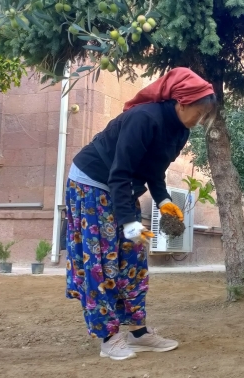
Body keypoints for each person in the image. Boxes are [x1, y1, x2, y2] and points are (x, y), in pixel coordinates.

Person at [65, 67, 217, 360]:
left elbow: (153, 171)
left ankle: (138, 332)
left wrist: (163, 201)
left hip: (119, 187)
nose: (199, 121)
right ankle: (109, 338)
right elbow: (119, 173)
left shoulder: (180, 131)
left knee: (133, 259)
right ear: (181, 102)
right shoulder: (143, 118)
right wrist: (129, 222)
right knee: (102, 260)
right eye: (198, 113)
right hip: (92, 182)